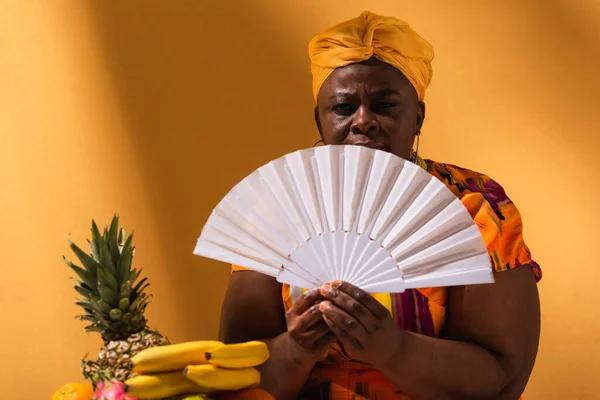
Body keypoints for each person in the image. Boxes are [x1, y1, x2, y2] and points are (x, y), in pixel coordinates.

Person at [219, 11, 542, 400]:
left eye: (385, 106)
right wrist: (295, 350)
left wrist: (392, 349)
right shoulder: (276, 210)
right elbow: (232, 380)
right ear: (319, 120)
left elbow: (504, 378)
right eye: (342, 107)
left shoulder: (475, 209)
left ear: (418, 117)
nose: (363, 121)